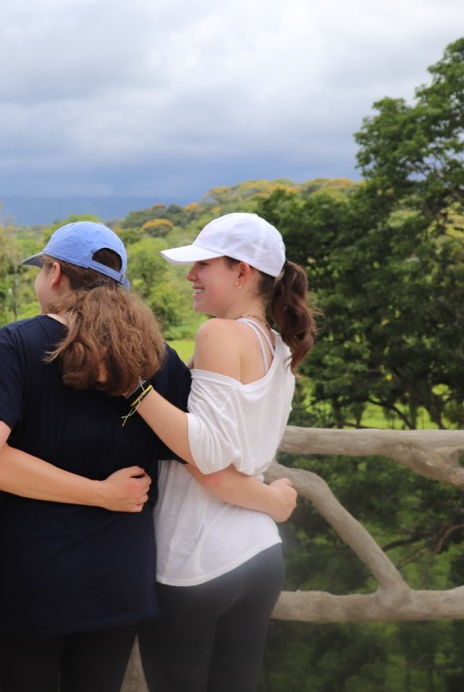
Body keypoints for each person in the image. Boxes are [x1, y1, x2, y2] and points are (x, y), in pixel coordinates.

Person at [0, 221, 293, 692]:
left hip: (33, 575)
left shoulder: (17, 344)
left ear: (53, 273)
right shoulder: (158, 356)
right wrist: (269, 500)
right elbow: (197, 456)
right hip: (120, 577)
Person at [132, 212, 316, 692]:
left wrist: (133, 390)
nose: (191, 276)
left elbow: (209, 459)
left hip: (195, 559)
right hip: (257, 555)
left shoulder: (219, 334)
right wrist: (270, 501)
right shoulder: (278, 348)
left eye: (203, 265)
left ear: (243, 273)